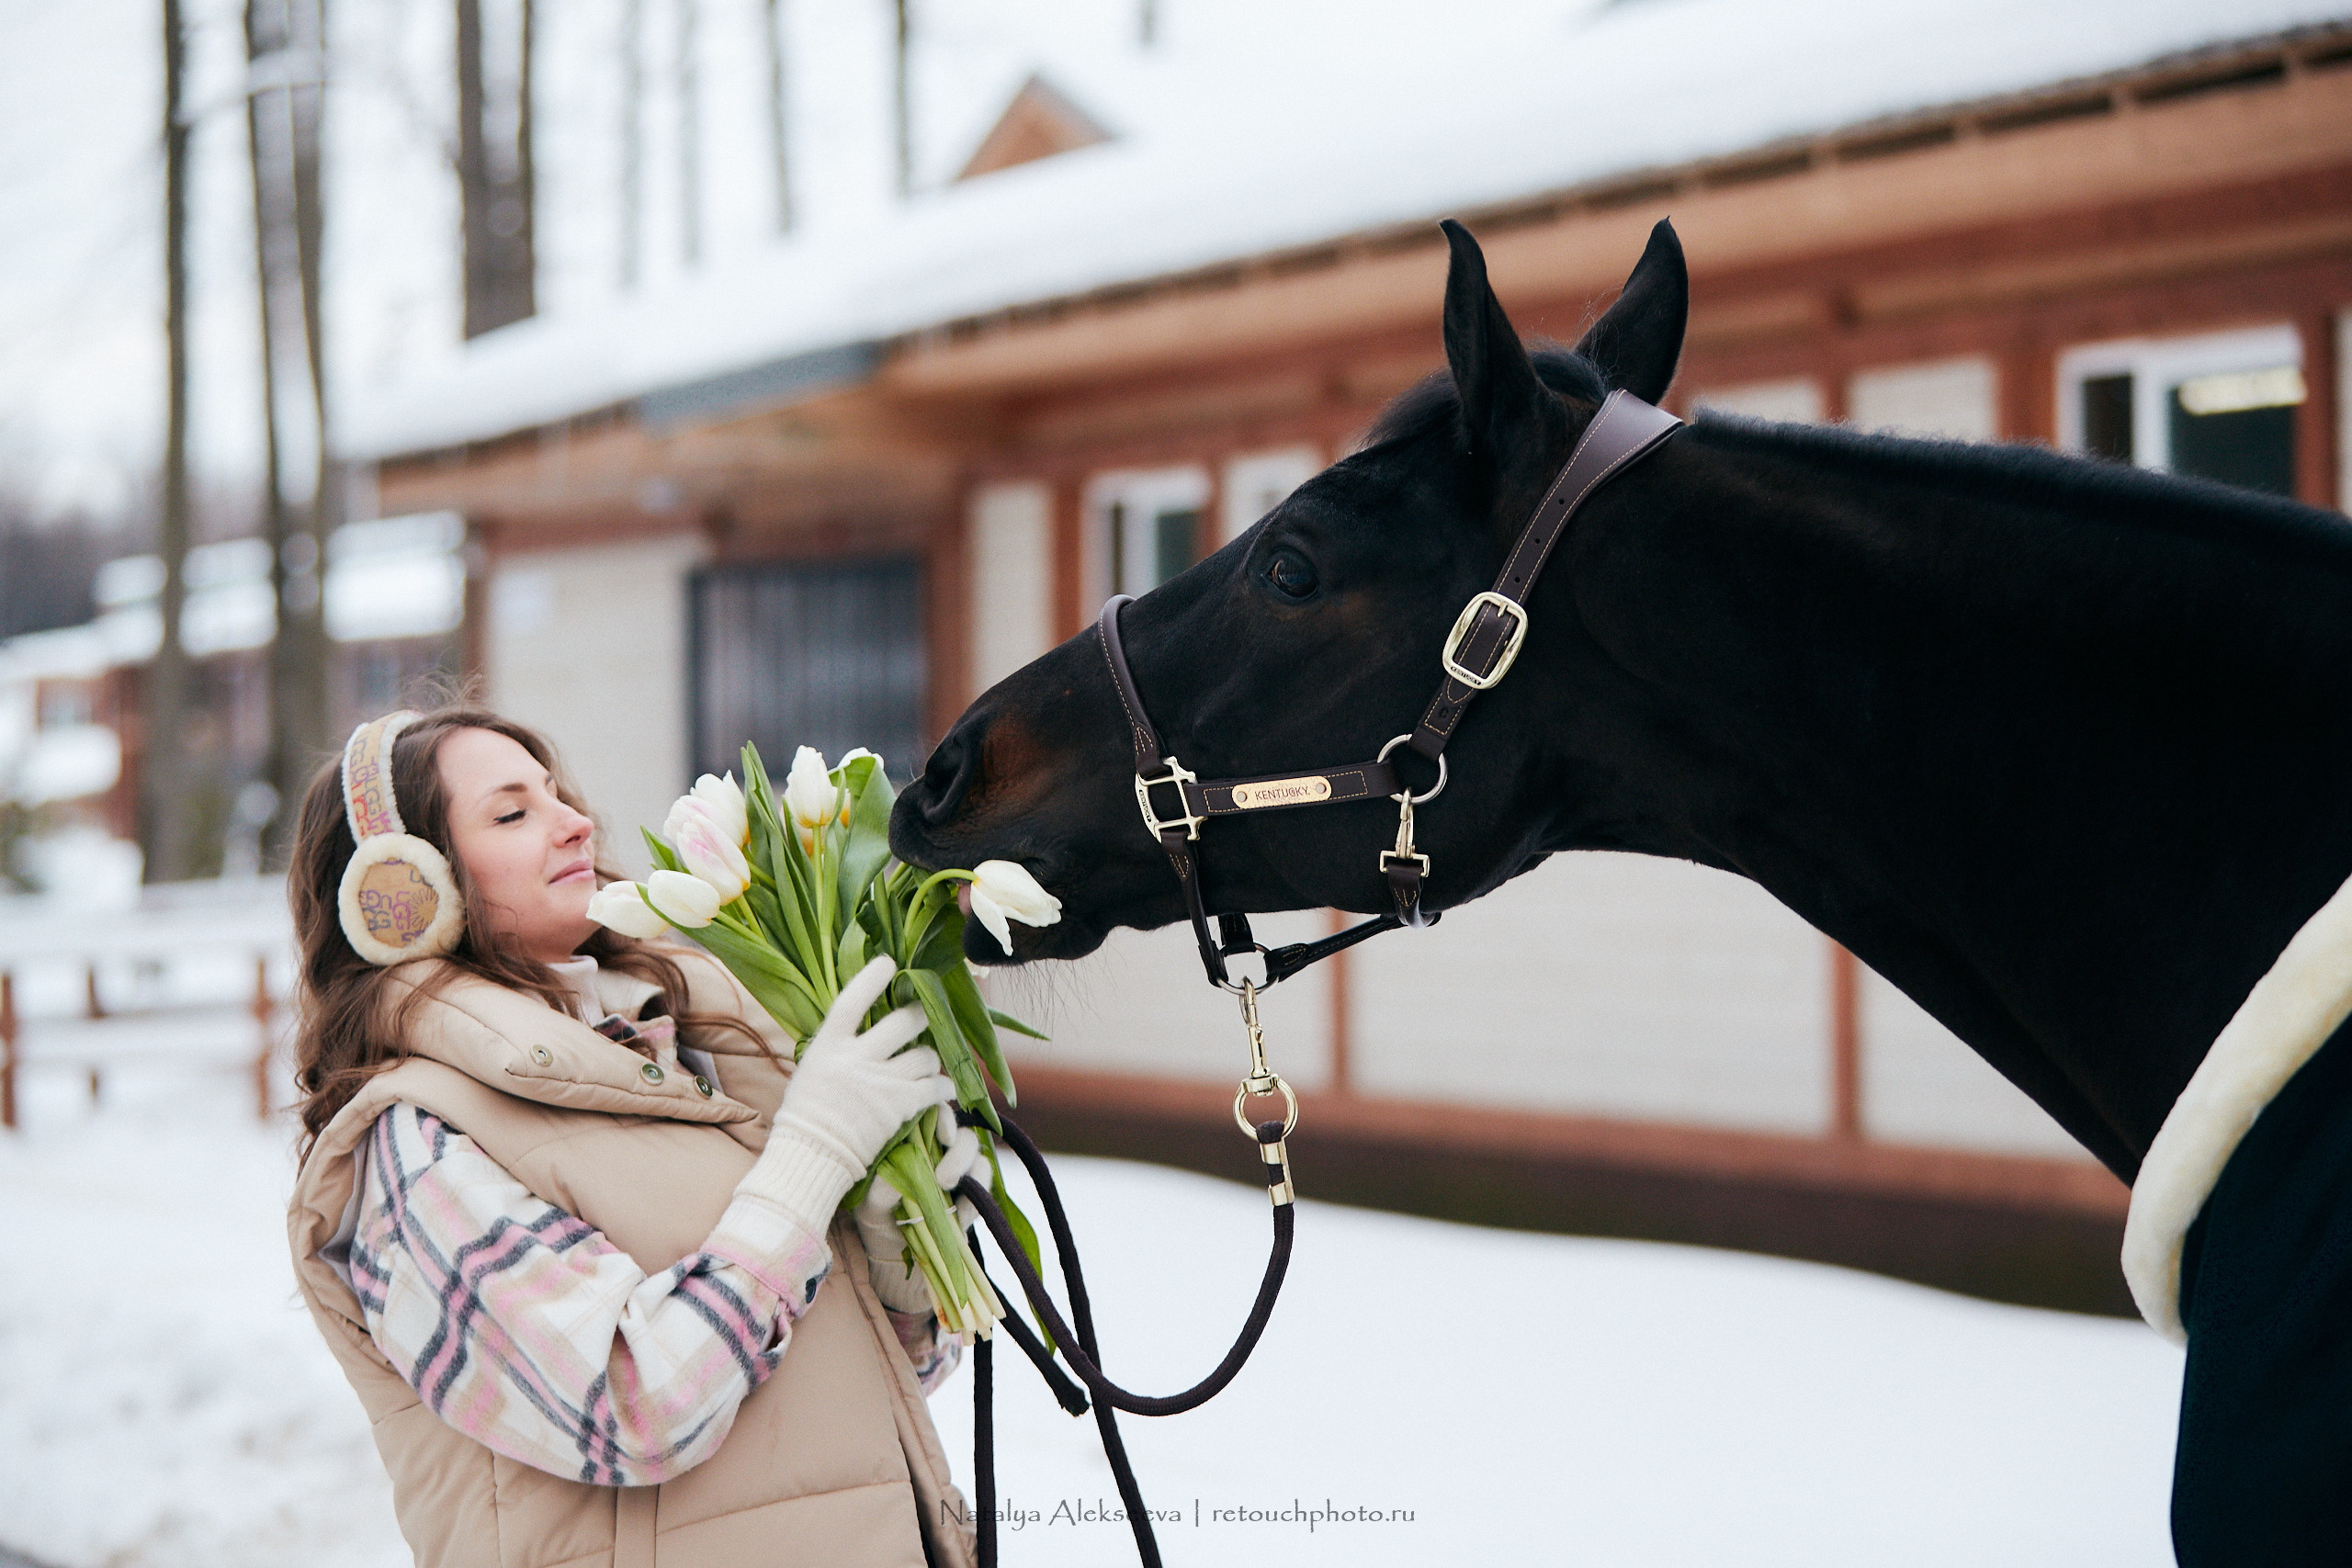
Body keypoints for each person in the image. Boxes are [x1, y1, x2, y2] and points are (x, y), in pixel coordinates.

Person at [285, 705, 982, 1568]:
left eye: (557, 793)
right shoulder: (414, 1146)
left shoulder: (699, 1047)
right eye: (513, 812)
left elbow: (862, 1388)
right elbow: (631, 1407)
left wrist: (898, 1265)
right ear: (407, 888)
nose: (576, 821)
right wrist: (811, 1162)